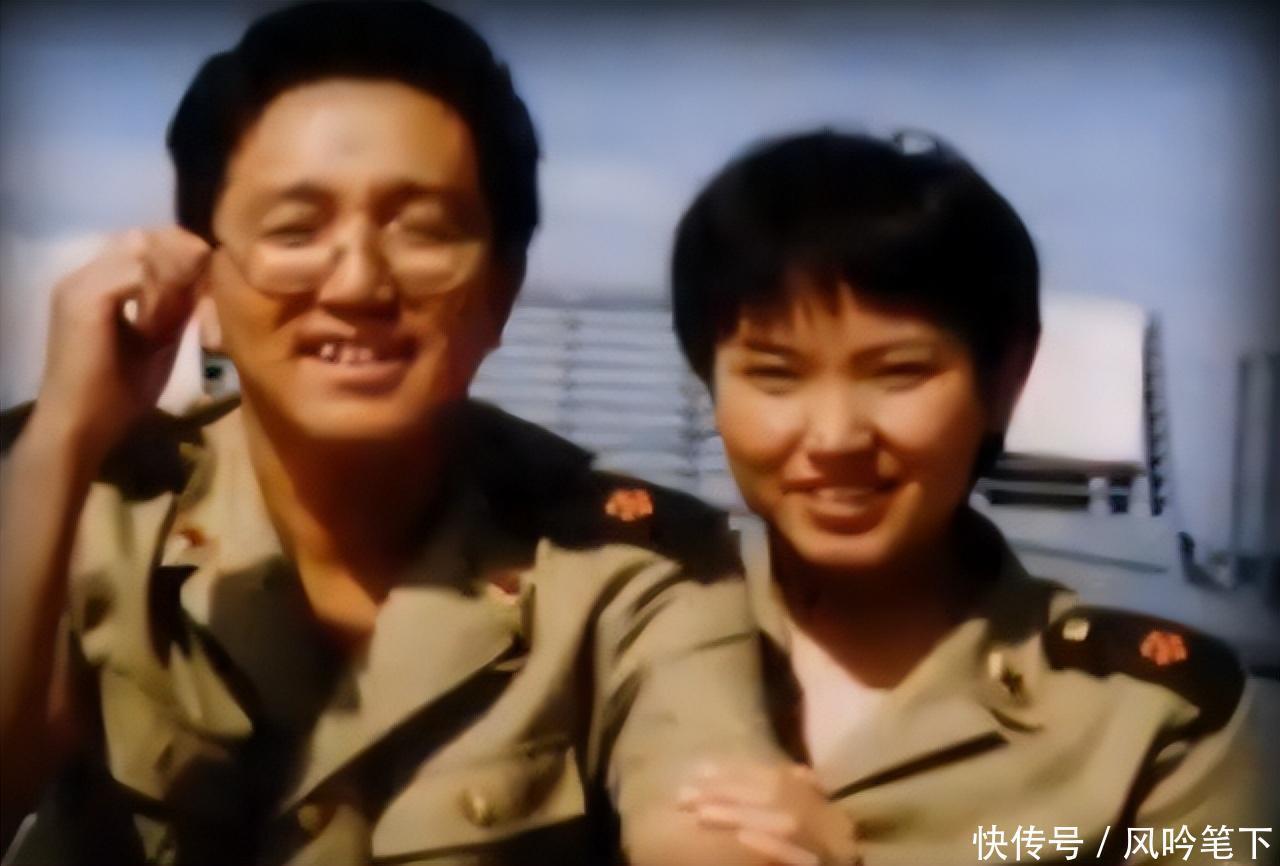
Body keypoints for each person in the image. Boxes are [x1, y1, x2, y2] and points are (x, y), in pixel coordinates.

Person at [0, 4, 845, 864]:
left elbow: (703, 803)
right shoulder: (84, 514)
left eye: (425, 231)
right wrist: (61, 442)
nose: (359, 284)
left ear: (501, 290)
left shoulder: (633, 568)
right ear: (205, 287)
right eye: (296, 230)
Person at [668, 130, 1275, 865]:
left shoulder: (1155, 720)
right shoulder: (617, 642)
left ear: (1006, 380)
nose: (835, 438)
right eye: (775, 375)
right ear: (711, 383)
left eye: (898, 372)